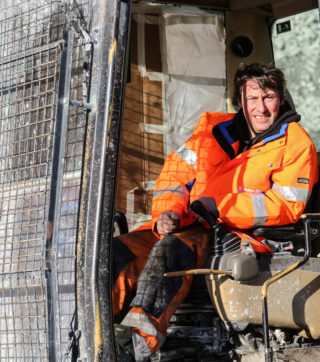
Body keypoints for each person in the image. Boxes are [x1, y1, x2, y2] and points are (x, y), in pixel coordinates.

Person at [112, 63, 318, 361]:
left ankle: (135, 346)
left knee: (171, 251)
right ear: (240, 102)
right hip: (186, 223)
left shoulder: (296, 144)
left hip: (238, 236)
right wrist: (168, 212)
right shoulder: (211, 131)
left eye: (269, 97)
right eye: (252, 99)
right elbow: (175, 178)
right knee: (118, 253)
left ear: (281, 99)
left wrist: (221, 207)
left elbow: (285, 205)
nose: (261, 108)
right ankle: (97, 329)